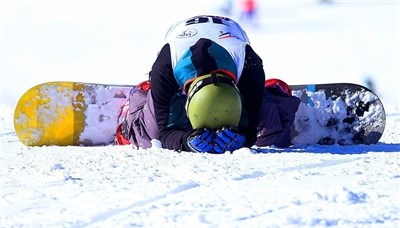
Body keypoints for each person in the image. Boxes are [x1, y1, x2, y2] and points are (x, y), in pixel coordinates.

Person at [115, 15, 300, 153]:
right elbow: (165, 133)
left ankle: (272, 93)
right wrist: (186, 141)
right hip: (179, 54)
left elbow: (250, 129)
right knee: (151, 136)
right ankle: (141, 100)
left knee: (269, 132)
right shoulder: (165, 71)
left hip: (234, 56)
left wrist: (244, 138)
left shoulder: (250, 66)